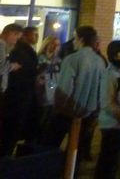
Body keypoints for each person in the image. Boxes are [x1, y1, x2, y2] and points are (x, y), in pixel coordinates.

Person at [43, 25, 106, 177]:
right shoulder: (100, 62)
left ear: (81, 39)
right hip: (88, 112)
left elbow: (63, 91)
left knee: (50, 146)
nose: (73, 41)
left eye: (75, 37)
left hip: (67, 112)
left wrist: (59, 108)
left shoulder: (72, 59)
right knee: (77, 149)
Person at [96, 40, 120, 179]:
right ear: (115, 55)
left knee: (113, 162)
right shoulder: (110, 74)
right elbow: (107, 102)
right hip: (112, 124)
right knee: (108, 162)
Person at [1, 25, 39, 155]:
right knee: (11, 128)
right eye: (16, 35)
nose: (17, 39)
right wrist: (12, 66)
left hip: (16, 94)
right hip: (17, 95)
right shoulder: (13, 49)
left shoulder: (16, 49)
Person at [35, 35, 61, 140]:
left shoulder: (58, 60)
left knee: (48, 122)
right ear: (46, 45)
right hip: (40, 95)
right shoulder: (39, 58)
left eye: (58, 45)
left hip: (53, 95)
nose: (55, 47)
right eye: (53, 44)